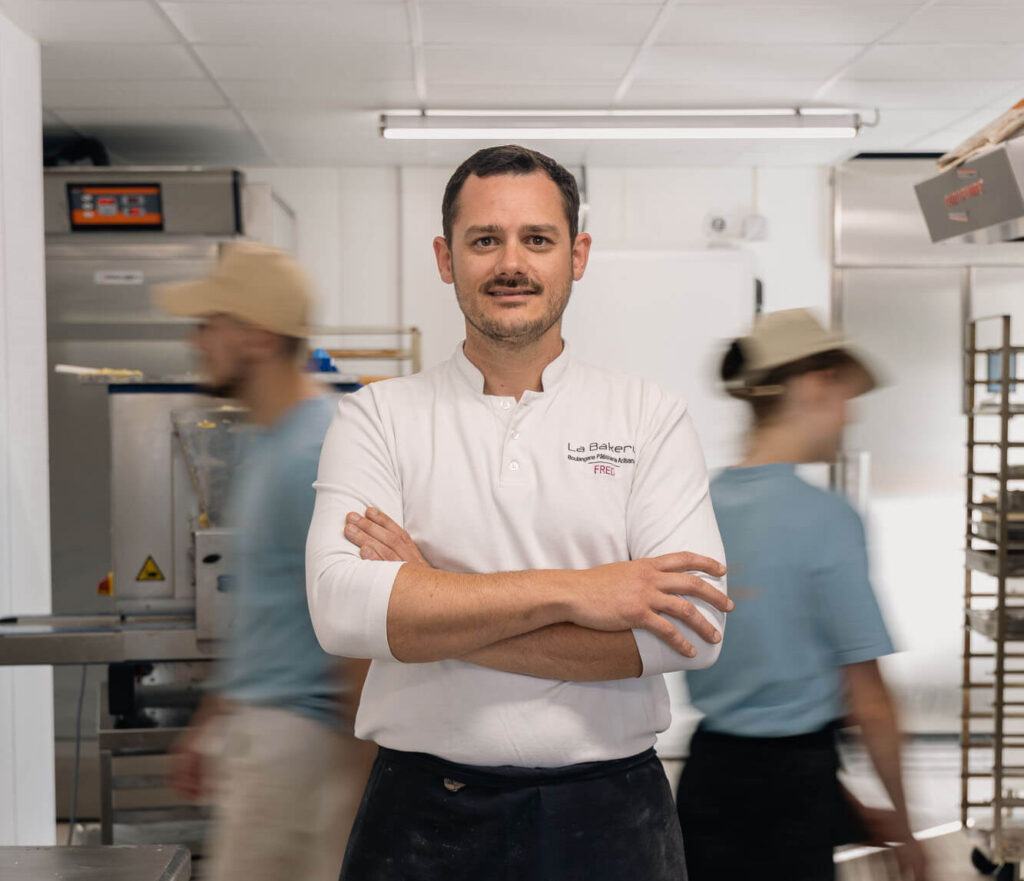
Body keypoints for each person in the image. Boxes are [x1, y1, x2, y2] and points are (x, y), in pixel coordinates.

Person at [305, 145, 732, 881]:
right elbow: (343, 613)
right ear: (446, 258)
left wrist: (425, 596)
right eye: (484, 240)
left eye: (537, 239)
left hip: (612, 817)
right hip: (421, 817)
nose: (512, 262)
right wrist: (580, 591)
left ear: (578, 254)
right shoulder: (377, 417)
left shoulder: (648, 416)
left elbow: (692, 632)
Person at [675, 308, 928, 881]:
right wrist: (908, 831)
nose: (851, 415)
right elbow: (870, 703)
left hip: (708, 779)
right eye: (846, 394)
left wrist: (854, 808)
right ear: (813, 386)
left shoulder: (694, 507)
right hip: (792, 798)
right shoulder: (825, 517)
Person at [157, 242, 373, 881]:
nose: (197, 342)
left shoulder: (315, 451)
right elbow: (269, 612)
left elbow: (360, 627)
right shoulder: (273, 443)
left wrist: (361, 777)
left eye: (209, 323)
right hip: (267, 737)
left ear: (253, 335)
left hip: (300, 750)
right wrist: (211, 719)